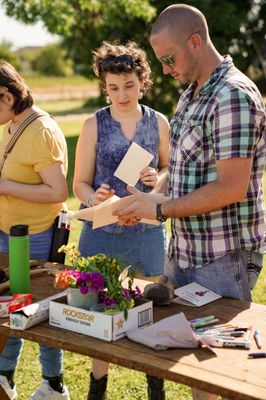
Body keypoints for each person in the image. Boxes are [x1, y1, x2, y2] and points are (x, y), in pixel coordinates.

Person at [115, 4, 266, 400]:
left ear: (195, 42)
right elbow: (185, 172)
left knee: (212, 375)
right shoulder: (191, 94)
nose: (164, 70)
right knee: (191, 370)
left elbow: (230, 188)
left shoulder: (231, 96)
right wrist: (149, 199)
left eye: (168, 59)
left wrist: (160, 209)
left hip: (221, 258)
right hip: (184, 252)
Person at [73, 40, 169, 399]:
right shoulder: (92, 123)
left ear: (143, 81)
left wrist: (154, 180)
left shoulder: (158, 121)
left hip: (146, 232)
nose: (122, 94)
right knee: (101, 318)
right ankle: (97, 390)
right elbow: (79, 183)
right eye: (113, 88)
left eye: (129, 85)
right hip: (102, 232)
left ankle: (154, 389)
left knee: (147, 315)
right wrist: (91, 196)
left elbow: (167, 166)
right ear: (104, 87)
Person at [0, 61, 70, 400]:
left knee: (36, 311)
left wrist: (5, 186)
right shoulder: (11, 124)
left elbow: (57, 192)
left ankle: (53, 385)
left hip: (36, 236)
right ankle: (6, 379)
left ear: (8, 97)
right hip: (9, 233)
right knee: (10, 309)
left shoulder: (41, 131)